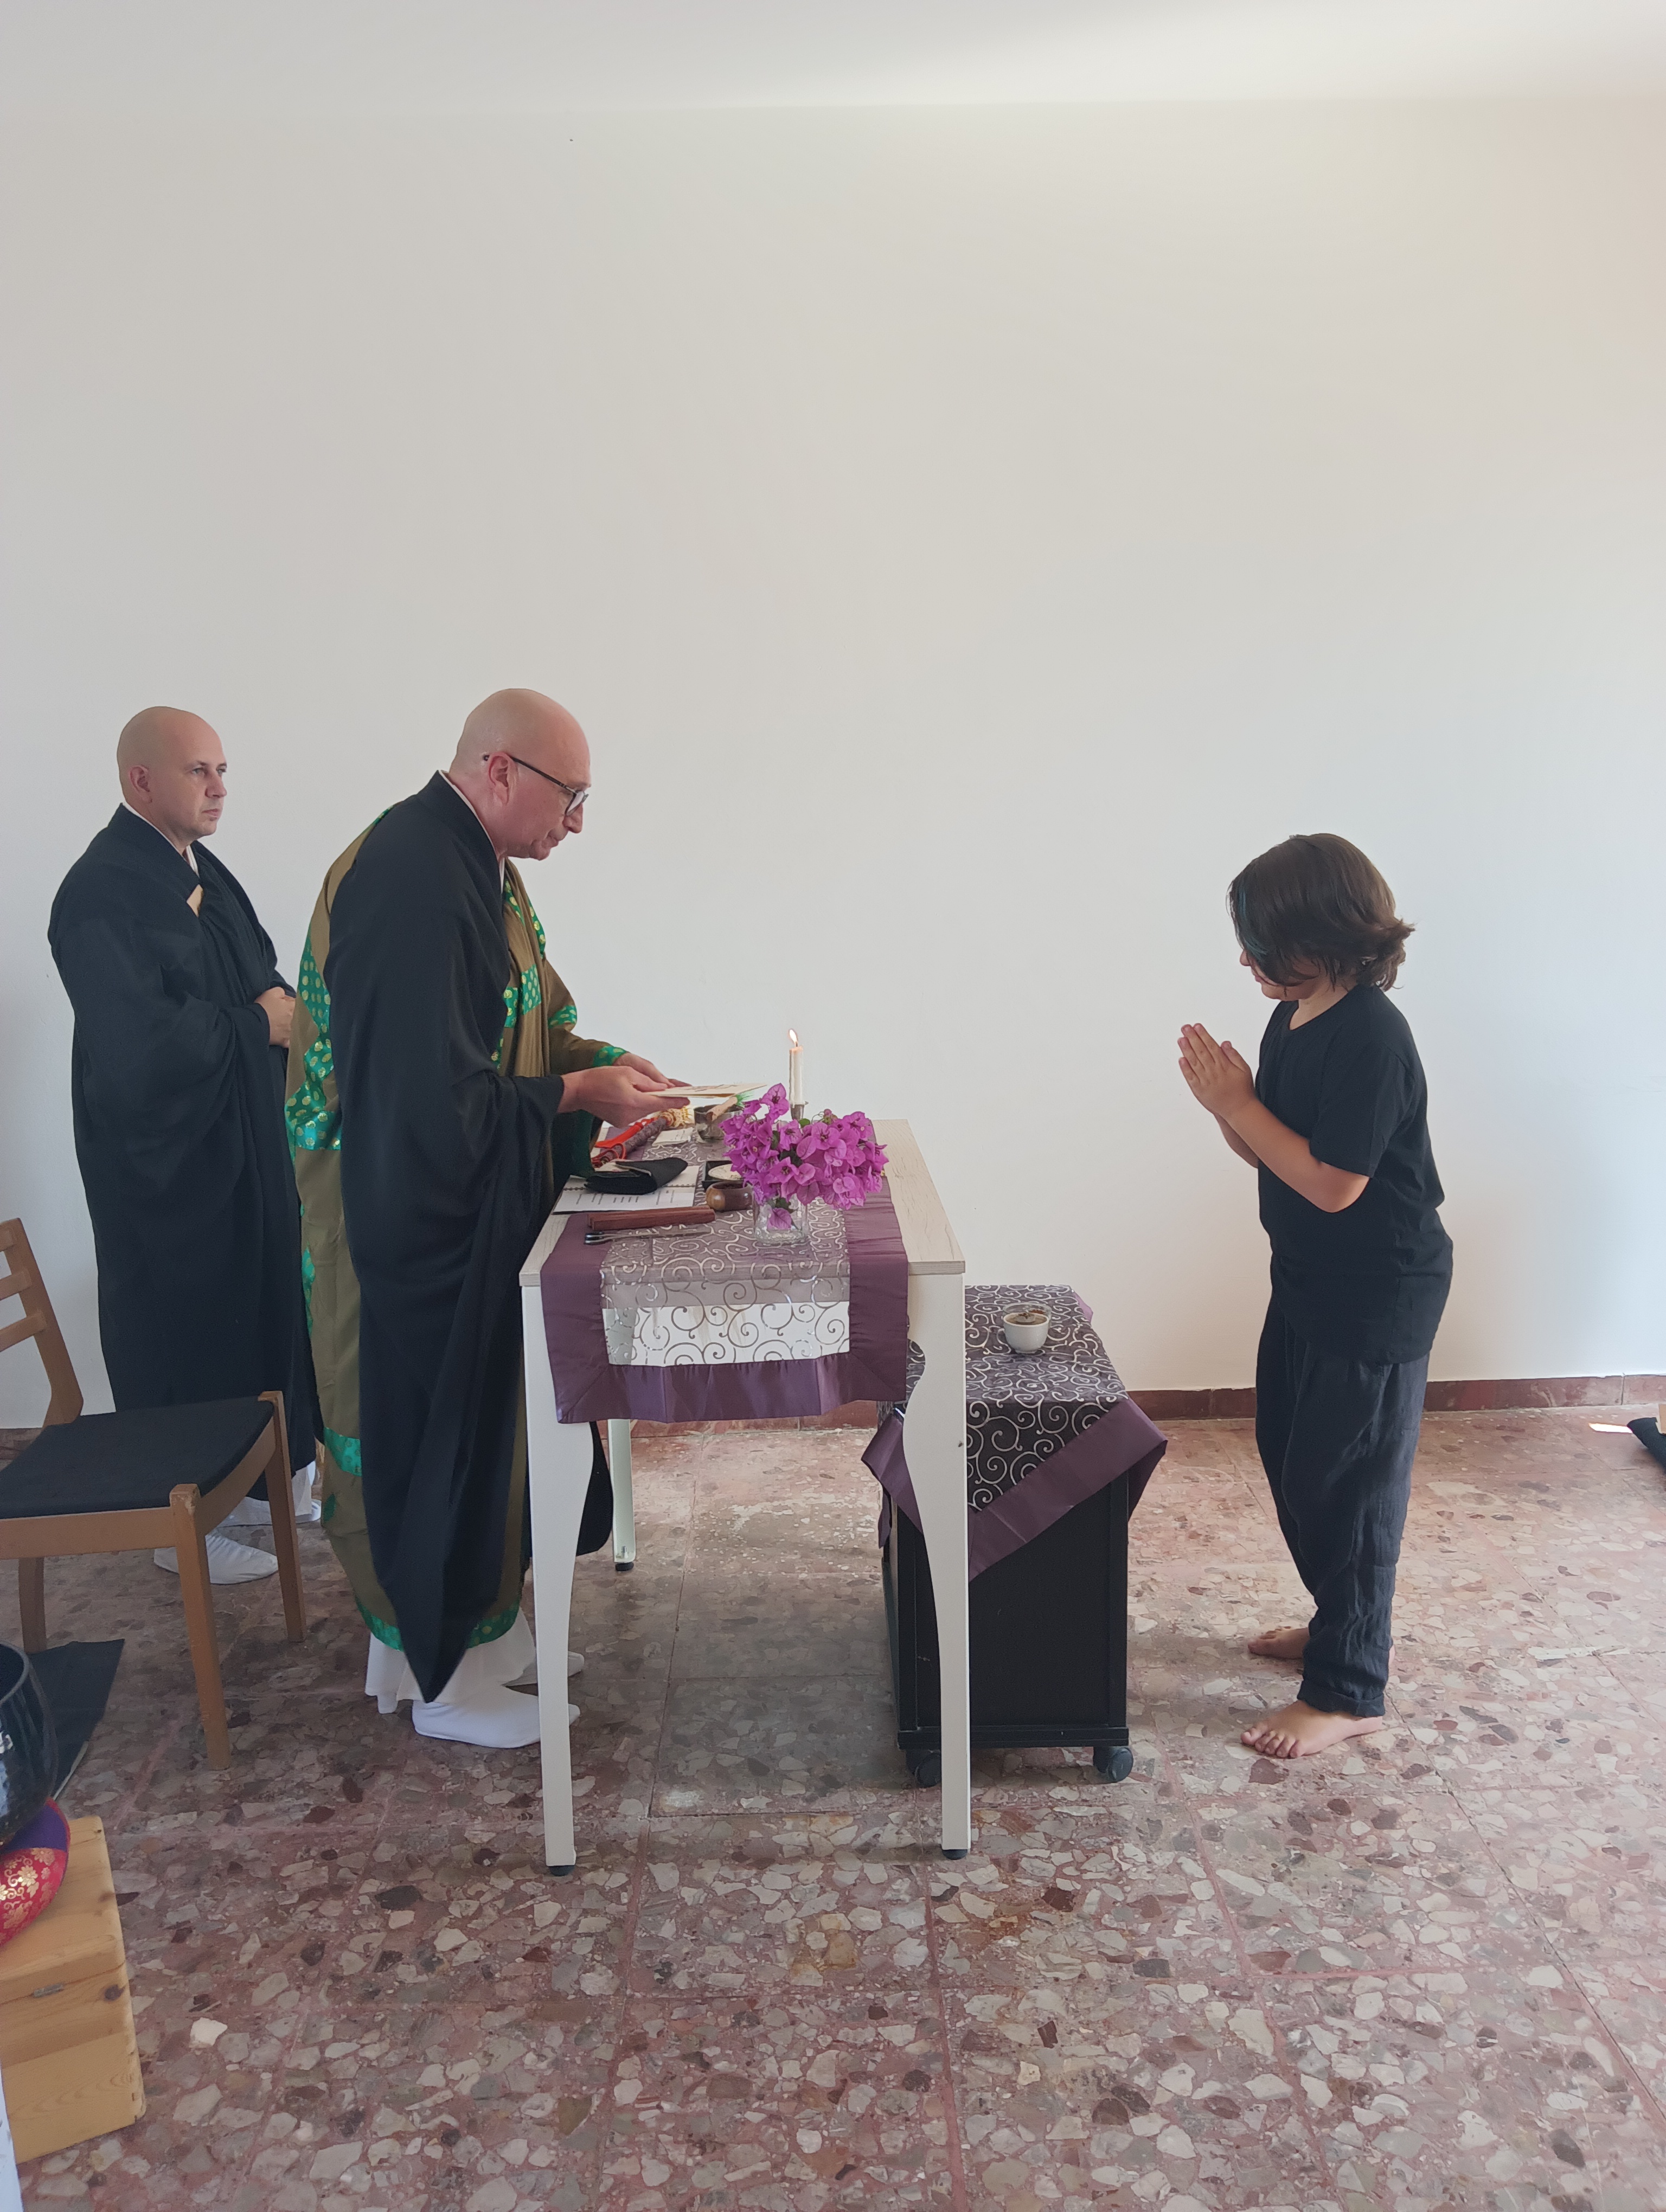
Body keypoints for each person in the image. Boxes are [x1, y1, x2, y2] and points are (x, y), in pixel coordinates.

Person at [286, 689, 684, 1747]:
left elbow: (523, 1025)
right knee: (428, 1429)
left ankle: (479, 1637)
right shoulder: (411, 877)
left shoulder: (480, 864)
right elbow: (426, 1106)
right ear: (499, 770)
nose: (579, 823)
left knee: (493, 1423)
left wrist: (604, 1064)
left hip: (460, 1201)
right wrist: (576, 1094)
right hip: (393, 1218)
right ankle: (441, 1680)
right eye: (570, 796)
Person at [1178, 833, 1452, 1759]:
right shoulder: (1292, 1017)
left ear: (1324, 939)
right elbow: (1272, 1151)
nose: (1246, 961)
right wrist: (1229, 1108)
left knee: (1353, 1489)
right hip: (1306, 1280)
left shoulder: (1372, 1036)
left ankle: (1349, 1687)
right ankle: (1343, 1621)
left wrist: (1238, 1106)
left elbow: (1335, 1183)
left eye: (1261, 945)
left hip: (1378, 1295)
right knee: (1297, 1463)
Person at [49, 708, 319, 1585]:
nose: (218, 788)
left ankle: (249, 1486)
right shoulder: (98, 890)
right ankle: (180, 1525)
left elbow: (260, 972)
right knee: (184, 1325)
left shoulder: (201, 868)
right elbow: (139, 1044)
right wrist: (256, 1024)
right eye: (198, 771)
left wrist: (280, 1015)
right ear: (141, 781)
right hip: (165, 1165)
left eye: (222, 770)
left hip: (241, 1141)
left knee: (255, 1306)